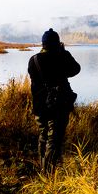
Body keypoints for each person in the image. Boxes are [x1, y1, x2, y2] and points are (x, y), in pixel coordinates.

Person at [28, 28, 80, 171]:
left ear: (43, 44)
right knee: (54, 140)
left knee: (43, 135)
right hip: (58, 106)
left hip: (39, 106)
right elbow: (76, 69)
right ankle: (48, 174)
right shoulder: (61, 57)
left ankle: (42, 167)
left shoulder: (34, 60)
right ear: (57, 43)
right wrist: (63, 52)